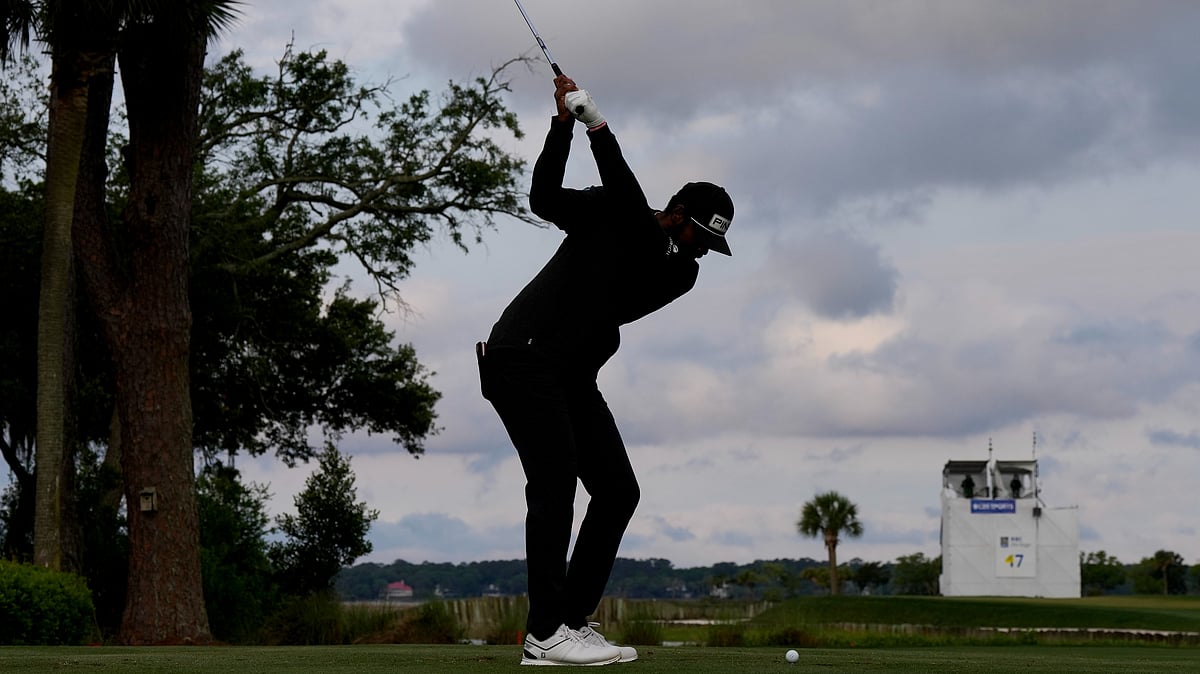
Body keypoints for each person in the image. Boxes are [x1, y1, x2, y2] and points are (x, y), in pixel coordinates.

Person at [477, 74, 734, 666]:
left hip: (568, 373)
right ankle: (543, 635)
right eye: (698, 236)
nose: (700, 251)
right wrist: (565, 126)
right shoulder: (611, 209)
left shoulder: (678, 271)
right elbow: (543, 199)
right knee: (555, 484)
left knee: (618, 491)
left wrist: (601, 128)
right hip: (522, 356)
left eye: (708, 245)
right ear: (679, 214)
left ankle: (570, 619)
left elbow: (641, 235)